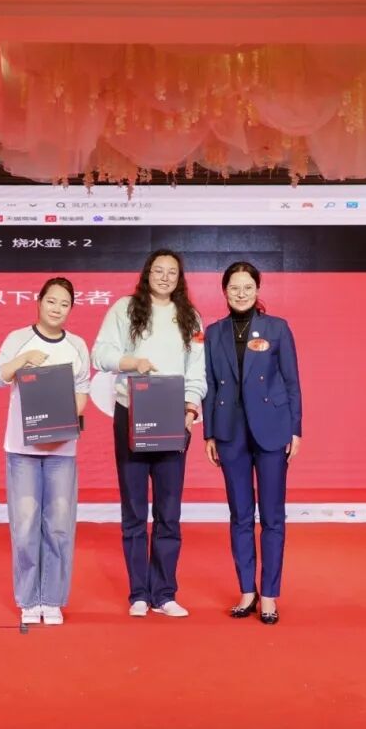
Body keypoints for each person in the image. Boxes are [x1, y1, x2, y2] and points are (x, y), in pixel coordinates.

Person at [93, 249, 206, 618]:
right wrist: (131, 362)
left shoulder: (190, 316)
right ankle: (138, 594)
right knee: (134, 508)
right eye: (158, 270)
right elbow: (100, 354)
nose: (165, 277)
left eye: (172, 272)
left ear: (179, 278)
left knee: (169, 510)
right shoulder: (125, 309)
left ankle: (165, 593)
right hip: (133, 412)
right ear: (147, 274)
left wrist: (190, 409)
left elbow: (197, 369)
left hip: (173, 415)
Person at [202, 261, 302, 625]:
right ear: (224, 291)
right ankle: (247, 590)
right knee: (240, 515)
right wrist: (209, 432)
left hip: (272, 429)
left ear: (257, 289)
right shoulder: (214, 333)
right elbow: (209, 385)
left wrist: (295, 429)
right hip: (230, 432)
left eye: (247, 287)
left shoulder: (278, 328)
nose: (240, 293)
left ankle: (270, 594)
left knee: (272, 516)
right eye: (234, 288)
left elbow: (291, 381)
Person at [0, 277, 91, 626]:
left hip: (62, 449)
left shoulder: (77, 345)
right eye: (51, 301)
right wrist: (23, 360)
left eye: (64, 304)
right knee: (26, 524)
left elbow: (83, 391)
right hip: (22, 448)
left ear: (71, 308)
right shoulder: (18, 339)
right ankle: (29, 600)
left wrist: (65, 418)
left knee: (59, 525)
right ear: (39, 301)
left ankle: (52, 599)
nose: (57, 309)